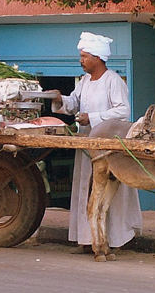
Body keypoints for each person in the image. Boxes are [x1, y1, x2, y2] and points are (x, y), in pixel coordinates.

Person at [48, 32, 142, 253]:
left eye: (84, 56)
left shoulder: (113, 80)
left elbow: (123, 111)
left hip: (109, 148)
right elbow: (74, 104)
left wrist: (93, 117)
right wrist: (59, 99)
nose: (81, 60)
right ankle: (87, 239)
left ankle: (116, 239)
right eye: (80, 56)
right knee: (86, 190)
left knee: (110, 193)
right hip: (88, 145)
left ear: (98, 58)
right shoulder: (84, 82)